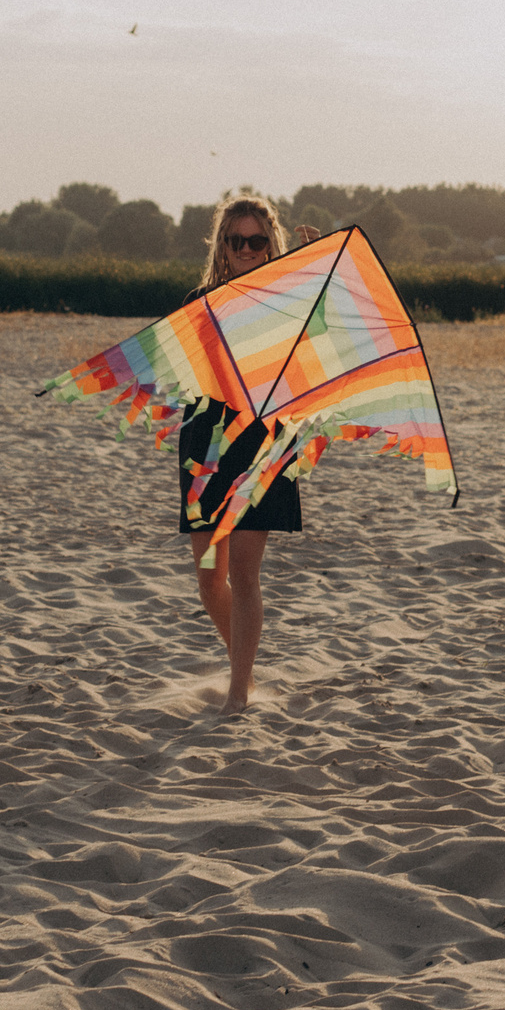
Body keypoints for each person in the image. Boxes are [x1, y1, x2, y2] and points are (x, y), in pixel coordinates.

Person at [182, 195, 320, 715]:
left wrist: (310, 272)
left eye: (256, 240)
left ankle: (239, 690)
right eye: (236, 240)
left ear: (270, 244)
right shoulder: (199, 301)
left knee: (243, 568)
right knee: (208, 574)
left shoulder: (288, 302)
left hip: (262, 442)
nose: (246, 248)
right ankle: (246, 663)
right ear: (223, 244)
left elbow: (316, 346)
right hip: (206, 442)